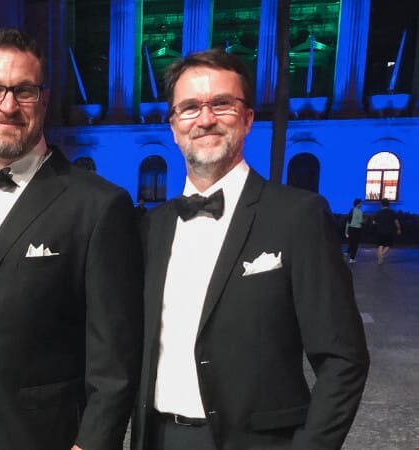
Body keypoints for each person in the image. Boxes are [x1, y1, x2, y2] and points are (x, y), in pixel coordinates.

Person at [131, 49, 369, 450]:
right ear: (173, 126)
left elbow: (343, 359)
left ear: (247, 118)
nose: (205, 119)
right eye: (189, 108)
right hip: (158, 437)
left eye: (221, 104)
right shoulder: (151, 227)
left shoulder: (298, 215)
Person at [0, 29, 142, 450]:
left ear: (43, 100)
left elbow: (116, 357)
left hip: (48, 438)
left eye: (23, 91)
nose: (7, 106)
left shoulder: (97, 205)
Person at [373, 198, 402, 264]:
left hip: (380, 231)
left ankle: (379, 259)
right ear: (389, 205)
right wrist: (399, 229)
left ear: (381, 204)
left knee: (380, 245)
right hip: (389, 231)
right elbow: (396, 222)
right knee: (388, 245)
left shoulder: (378, 213)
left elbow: (374, 222)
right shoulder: (392, 212)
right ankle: (382, 254)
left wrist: (378, 224)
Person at [345, 198, 364, 262]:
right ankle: (352, 258)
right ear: (358, 204)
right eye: (361, 203)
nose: (361, 204)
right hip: (356, 229)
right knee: (355, 244)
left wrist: (346, 231)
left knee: (351, 242)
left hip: (350, 228)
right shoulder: (360, 211)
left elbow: (348, 221)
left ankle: (347, 252)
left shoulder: (351, 210)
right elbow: (360, 221)